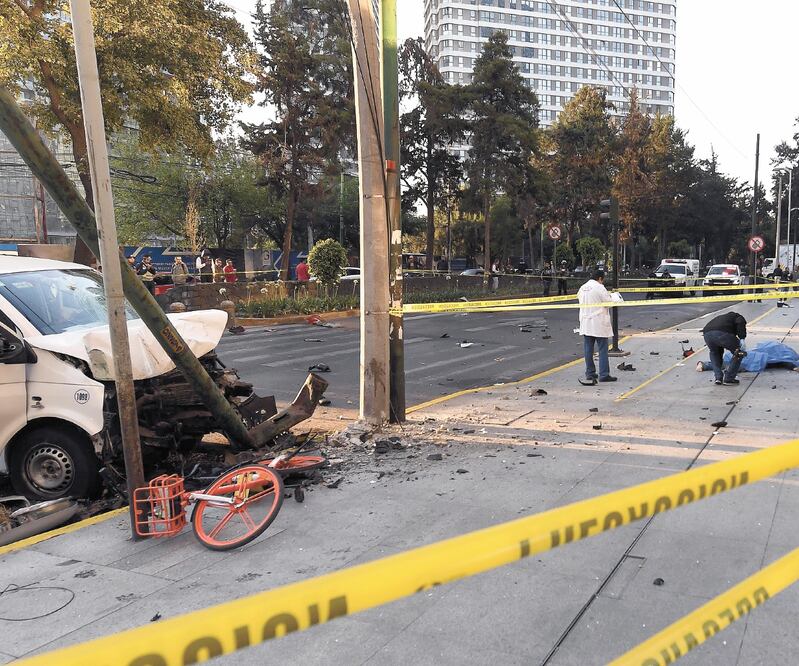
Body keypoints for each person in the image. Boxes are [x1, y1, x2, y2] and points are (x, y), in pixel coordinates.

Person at [577, 269, 617, 386]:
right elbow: (608, 302)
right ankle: (604, 374)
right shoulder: (600, 287)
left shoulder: (583, 287)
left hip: (586, 322)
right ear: (600, 278)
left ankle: (590, 373)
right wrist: (614, 297)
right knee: (603, 349)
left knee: (588, 349)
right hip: (598, 322)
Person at [701, 311, 747, 385]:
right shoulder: (738, 316)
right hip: (721, 333)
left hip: (707, 334)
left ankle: (718, 377)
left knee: (715, 353)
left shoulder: (723, 318)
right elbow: (740, 323)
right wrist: (742, 338)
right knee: (739, 352)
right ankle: (729, 378)